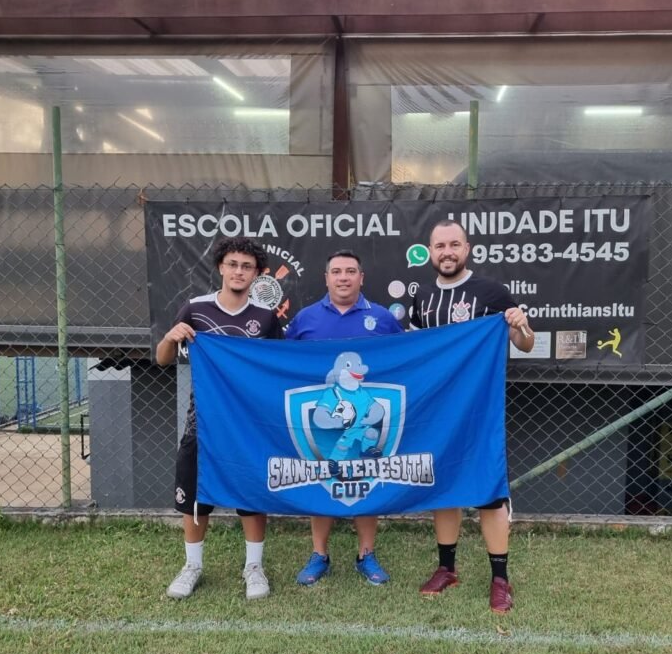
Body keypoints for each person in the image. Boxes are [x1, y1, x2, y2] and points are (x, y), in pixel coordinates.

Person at [409, 219, 535, 614]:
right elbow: (415, 353)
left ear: (467, 248)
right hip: (435, 411)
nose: (447, 252)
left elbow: (525, 344)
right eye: (439, 245)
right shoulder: (422, 296)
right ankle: (447, 568)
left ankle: (500, 578)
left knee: (488, 490)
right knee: (443, 485)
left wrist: (519, 326)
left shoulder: (492, 292)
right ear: (430, 251)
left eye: (454, 245)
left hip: (479, 411)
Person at [157, 236, 284, 601]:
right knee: (195, 494)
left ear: (257, 274)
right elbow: (163, 358)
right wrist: (171, 336)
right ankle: (192, 565)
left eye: (247, 266)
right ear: (220, 268)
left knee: (252, 490)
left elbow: (279, 367)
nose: (239, 271)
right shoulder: (196, 309)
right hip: (204, 422)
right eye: (233, 264)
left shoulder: (265, 317)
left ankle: (254, 566)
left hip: (250, 422)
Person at [286, 249, 403, 586]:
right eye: (336, 271)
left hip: (367, 420)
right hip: (322, 422)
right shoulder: (305, 319)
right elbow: (282, 362)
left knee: (365, 482)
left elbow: (407, 360)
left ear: (361, 278)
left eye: (350, 271)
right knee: (322, 479)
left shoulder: (382, 318)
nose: (343, 277)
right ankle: (319, 554)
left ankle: (366, 554)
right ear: (326, 278)